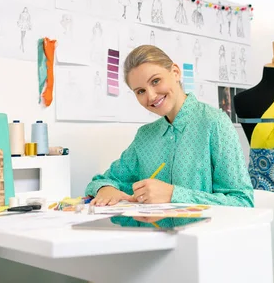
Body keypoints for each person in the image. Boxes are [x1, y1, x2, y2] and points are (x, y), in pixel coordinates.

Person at [85, 45, 254, 208]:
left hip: (202, 235)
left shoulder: (215, 123)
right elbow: (102, 180)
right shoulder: (145, 136)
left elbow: (242, 202)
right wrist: (105, 189)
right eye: (140, 91)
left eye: (156, 81)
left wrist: (173, 195)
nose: (151, 96)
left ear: (175, 72)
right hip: (151, 235)